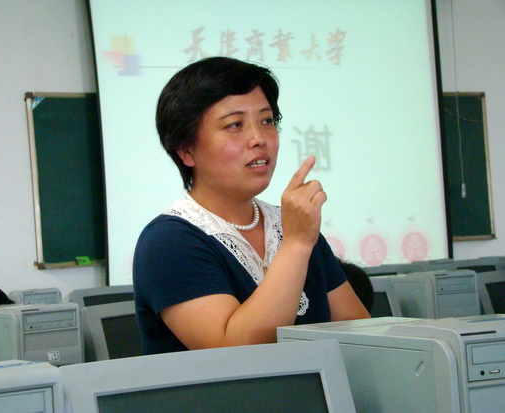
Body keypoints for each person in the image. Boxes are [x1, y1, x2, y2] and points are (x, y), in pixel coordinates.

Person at [133, 56, 370, 355]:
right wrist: (296, 244)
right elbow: (236, 353)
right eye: (235, 125)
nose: (259, 138)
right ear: (186, 150)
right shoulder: (168, 241)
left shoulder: (291, 225)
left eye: (267, 121)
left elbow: (362, 337)